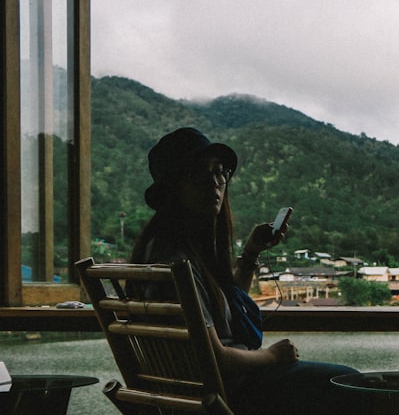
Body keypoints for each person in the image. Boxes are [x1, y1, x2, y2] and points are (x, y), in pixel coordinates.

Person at [129, 127, 362, 414]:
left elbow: (225, 306)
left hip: (211, 390)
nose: (214, 182)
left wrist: (250, 253)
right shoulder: (176, 261)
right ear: (172, 189)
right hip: (231, 392)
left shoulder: (170, 250)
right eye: (198, 173)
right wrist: (272, 356)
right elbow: (217, 357)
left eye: (219, 172)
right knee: (353, 385)